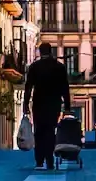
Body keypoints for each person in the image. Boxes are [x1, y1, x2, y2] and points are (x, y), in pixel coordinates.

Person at [22, 41, 71, 170]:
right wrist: (67, 106)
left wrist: (25, 104)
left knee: (39, 131)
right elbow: (65, 88)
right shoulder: (59, 67)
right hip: (54, 103)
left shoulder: (34, 67)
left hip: (39, 103)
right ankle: (49, 159)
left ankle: (39, 160)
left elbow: (28, 87)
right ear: (51, 51)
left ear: (40, 52)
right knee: (50, 131)